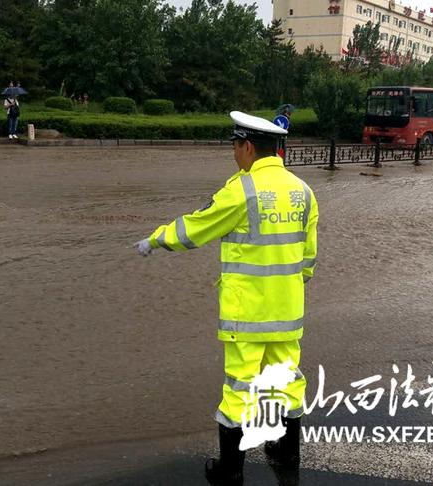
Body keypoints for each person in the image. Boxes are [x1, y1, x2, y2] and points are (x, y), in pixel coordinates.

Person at [134, 111, 318, 485]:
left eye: (235, 147)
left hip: (247, 315)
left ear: (248, 147)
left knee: (239, 388)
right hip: (287, 312)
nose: (234, 154)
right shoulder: (304, 191)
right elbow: (308, 260)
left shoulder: (242, 190)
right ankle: (287, 454)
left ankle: (230, 470)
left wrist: (154, 239)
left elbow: (194, 228)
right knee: (288, 381)